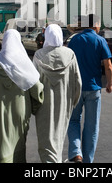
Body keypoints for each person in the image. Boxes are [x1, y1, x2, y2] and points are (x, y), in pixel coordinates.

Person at [0, 29, 44, 163]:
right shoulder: (24, 62)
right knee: (19, 144)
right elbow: (37, 87)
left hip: (0, 111)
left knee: (2, 144)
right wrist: (36, 104)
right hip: (21, 110)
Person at [67, 14, 112, 163]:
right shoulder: (100, 40)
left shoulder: (74, 40)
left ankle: (76, 152)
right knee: (92, 126)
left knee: (73, 120)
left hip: (76, 88)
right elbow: (109, 66)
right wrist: (109, 84)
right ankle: (87, 161)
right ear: (96, 24)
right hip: (94, 88)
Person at [33, 24, 82, 163]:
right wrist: (72, 102)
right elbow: (78, 82)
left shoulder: (38, 55)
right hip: (64, 104)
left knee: (46, 140)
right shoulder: (70, 54)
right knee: (59, 138)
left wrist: (34, 104)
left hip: (43, 106)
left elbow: (33, 83)